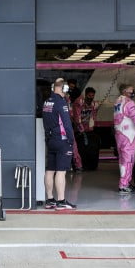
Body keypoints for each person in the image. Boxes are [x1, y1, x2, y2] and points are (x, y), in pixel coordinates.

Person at [42, 78, 76, 209]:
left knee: (50, 170)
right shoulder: (61, 103)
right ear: (64, 89)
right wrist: (71, 140)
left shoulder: (46, 102)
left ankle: (50, 199)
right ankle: (61, 201)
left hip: (50, 140)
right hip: (62, 141)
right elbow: (67, 125)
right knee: (61, 171)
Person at [114, 83, 135, 194]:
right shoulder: (129, 102)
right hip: (128, 135)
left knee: (122, 159)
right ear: (125, 91)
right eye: (131, 90)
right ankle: (124, 185)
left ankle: (125, 183)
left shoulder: (117, 101)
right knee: (128, 160)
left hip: (119, 133)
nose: (133, 92)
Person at [72, 87, 100, 171]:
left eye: (92, 96)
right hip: (77, 129)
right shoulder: (79, 102)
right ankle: (79, 165)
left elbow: (93, 117)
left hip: (88, 130)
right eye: (89, 95)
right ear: (85, 94)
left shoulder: (94, 104)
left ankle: (90, 165)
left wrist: (90, 129)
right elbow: (77, 118)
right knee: (78, 147)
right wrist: (81, 130)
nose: (91, 97)